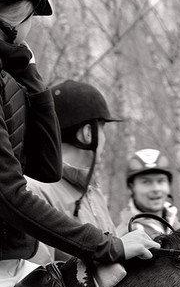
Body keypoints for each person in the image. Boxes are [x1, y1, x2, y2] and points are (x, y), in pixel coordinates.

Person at [0, 0, 160, 287]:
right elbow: (10, 196)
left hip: (14, 266)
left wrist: (27, 72)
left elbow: (45, 167)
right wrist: (106, 246)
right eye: (29, 21)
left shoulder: (7, 74)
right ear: (17, 16)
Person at [26, 79, 122, 264]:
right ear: (88, 133)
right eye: (102, 128)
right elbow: (39, 283)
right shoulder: (33, 190)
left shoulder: (92, 190)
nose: (105, 138)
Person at [115, 148, 180, 238]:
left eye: (161, 181)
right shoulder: (127, 235)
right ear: (131, 188)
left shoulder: (176, 224)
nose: (156, 189)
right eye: (146, 182)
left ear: (169, 185)